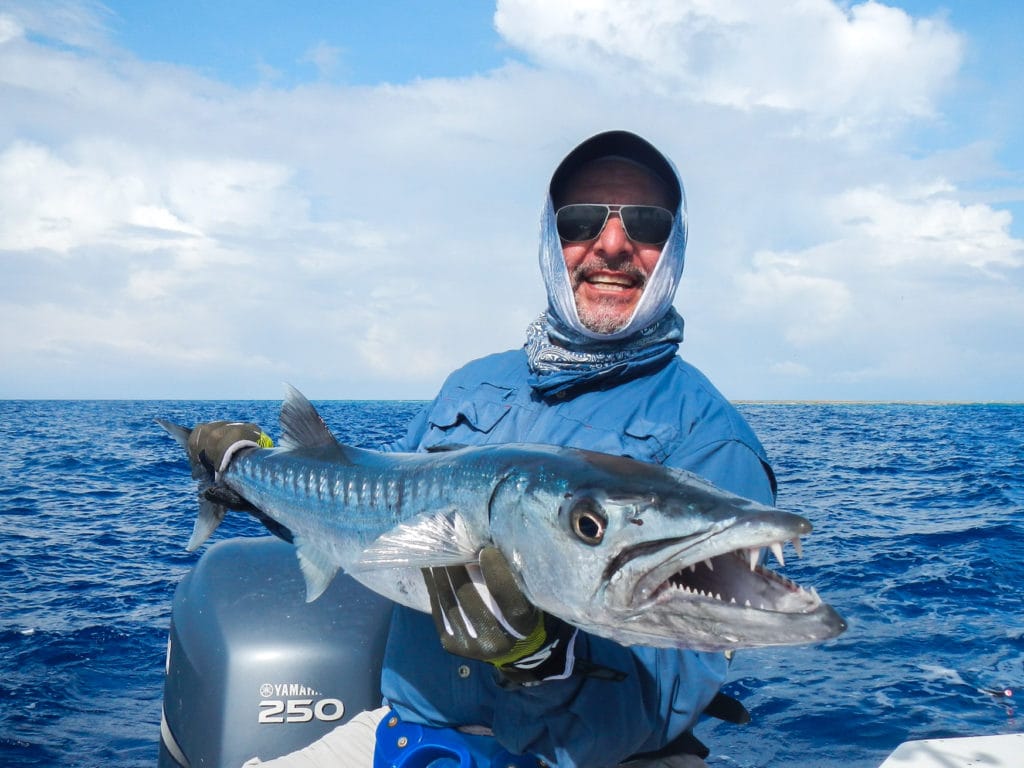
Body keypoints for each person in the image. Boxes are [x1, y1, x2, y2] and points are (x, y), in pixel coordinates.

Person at [190, 131, 776, 768]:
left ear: (675, 249)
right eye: (582, 221)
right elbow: (365, 516)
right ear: (552, 243)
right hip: (406, 734)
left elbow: (671, 689)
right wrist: (252, 475)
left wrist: (543, 661)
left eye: (645, 223)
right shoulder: (470, 385)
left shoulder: (711, 441)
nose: (612, 245)